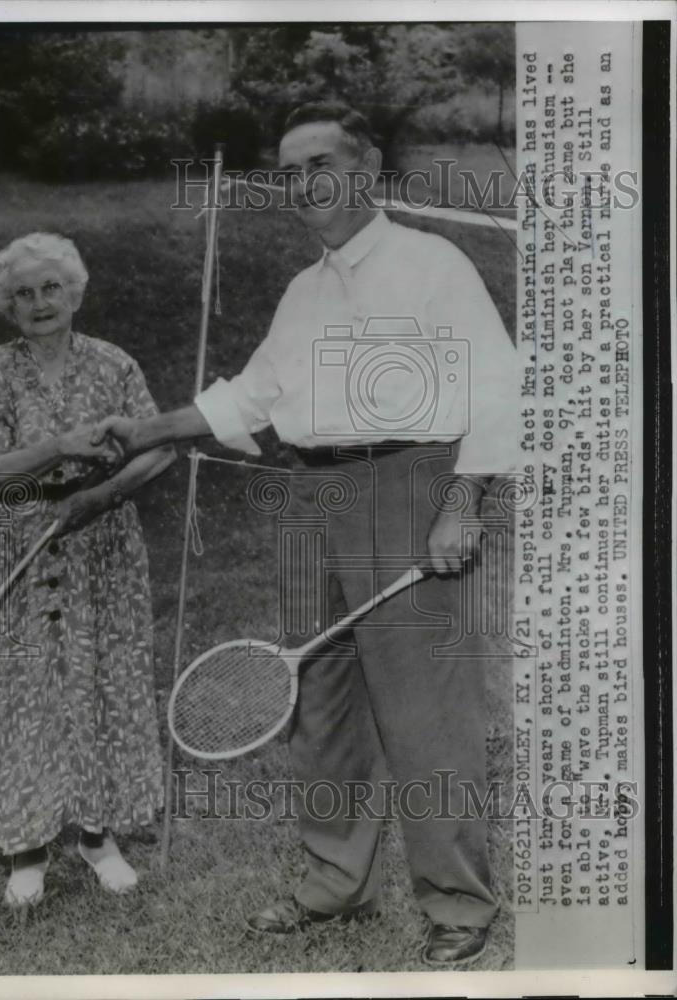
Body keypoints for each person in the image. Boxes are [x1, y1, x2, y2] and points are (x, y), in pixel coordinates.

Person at [94, 102, 519, 964]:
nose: (302, 186)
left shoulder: (431, 264)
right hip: (314, 498)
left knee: (427, 713)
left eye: (319, 165)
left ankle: (459, 906)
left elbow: (498, 386)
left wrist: (463, 502)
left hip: (411, 487)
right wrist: (147, 430)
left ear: (366, 168)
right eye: (289, 174)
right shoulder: (303, 289)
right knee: (322, 705)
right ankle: (336, 882)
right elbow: (253, 396)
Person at [0, 232, 175, 908]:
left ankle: (97, 837)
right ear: (6, 305)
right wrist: (56, 449)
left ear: (74, 292)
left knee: (100, 675)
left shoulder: (115, 365)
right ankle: (25, 848)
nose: (40, 303)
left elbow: (157, 450)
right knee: (21, 685)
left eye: (51, 288)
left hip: (99, 539)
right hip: (14, 537)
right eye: (24, 293)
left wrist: (103, 493)